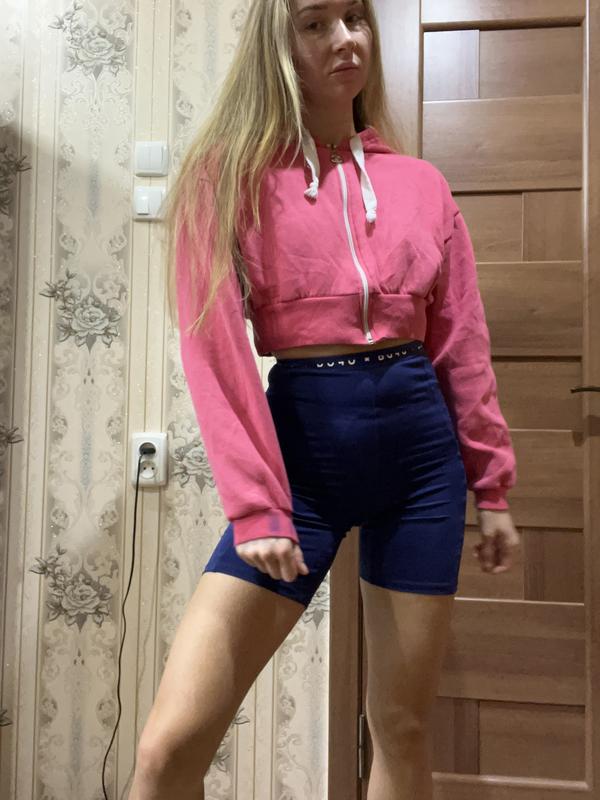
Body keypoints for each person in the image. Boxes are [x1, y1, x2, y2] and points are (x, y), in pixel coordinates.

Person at [128, 1, 521, 798]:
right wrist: (256, 505)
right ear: (278, 44)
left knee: (402, 729)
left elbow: (462, 346)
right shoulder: (224, 178)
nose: (345, 38)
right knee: (168, 750)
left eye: (354, 17)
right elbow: (214, 350)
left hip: (421, 466)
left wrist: (492, 485)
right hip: (302, 465)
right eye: (316, 23)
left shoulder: (421, 185)